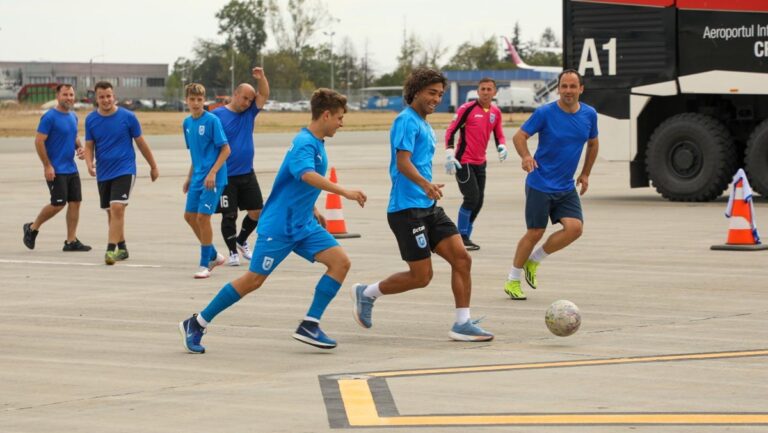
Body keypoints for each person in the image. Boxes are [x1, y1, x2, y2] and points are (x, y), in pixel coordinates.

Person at [179, 88, 366, 353]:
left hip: (302, 224)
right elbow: (304, 174)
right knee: (253, 280)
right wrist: (344, 191)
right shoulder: (304, 143)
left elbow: (297, 180)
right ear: (326, 115)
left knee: (340, 263)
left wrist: (312, 206)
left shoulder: (315, 142)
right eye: (339, 117)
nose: (341, 123)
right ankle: (197, 322)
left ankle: (310, 324)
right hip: (279, 227)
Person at [350, 68, 494, 342]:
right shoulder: (406, 121)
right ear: (415, 91)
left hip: (428, 206)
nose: (436, 98)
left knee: (462, 259)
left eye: (440, 94)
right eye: (431, 93)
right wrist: (425, 184)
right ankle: (366, 293)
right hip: (406, 210)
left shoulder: (425, 124)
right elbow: (402, 163)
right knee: (421, 277)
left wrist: (428, 187)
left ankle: (462, 323)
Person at [503, 69, 599, 300]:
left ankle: (534, 261)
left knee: (575, 229)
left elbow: (593, 144)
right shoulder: (545, 113)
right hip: (540, 182)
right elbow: (519, 137)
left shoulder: (589, 114)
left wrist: (585, 174)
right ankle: (513, 280)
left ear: (581, 89)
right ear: (558, 89)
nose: (568, 91)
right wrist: (526, 157)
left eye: (572, 86)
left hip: (565, 186)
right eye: (564, 86)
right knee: (535, 231)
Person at [84, 81, 159, 265]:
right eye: (102, 97)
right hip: (104, 172)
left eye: (109, 96)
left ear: (114, 96)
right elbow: (89, 145)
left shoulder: (128, 117)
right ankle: (122, 248)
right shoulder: (91, 120)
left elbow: (141, 143)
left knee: (117, 207)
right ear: (96, 98)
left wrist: (153, 165)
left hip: (125, 169)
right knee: (112, 213)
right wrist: (88, 163)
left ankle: (110, 251)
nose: (106, 100)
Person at [212, 67, 270, 266]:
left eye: (249, 100)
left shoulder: (249, 113)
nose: (247, 103)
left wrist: (261, 78)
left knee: (257, 211)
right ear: (235, 95)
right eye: (244, 98)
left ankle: (241, 241)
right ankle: (231, 252)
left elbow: (264, 94)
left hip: (247, 173)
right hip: (226, 175)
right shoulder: (217, 115)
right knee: (230, 215)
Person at [23, 84, 91, 252]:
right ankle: (32, 228)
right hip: (56, 169)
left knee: (75, 202)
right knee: (58, 204)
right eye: (65, 94)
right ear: (58, 96)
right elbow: (39, 141)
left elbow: (73, 136)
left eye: (71, 94)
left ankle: (70, 241)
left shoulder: (73, 116)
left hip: (71, 168)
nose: (69, 98)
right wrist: (47, 165)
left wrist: (79, 148)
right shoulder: (49, 117)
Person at [444, 78, 507, 251]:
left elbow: (499, 134)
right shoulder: (467, 109)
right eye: (483, 89)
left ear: (495, 92)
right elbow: (451, 131)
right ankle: (461, 237)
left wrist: (502, 145)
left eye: (489, 89)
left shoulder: (496, 112)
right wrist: (449, 152)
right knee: (471, 198)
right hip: (463, 162)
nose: (486, 92)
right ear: (477, 91)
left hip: (481, 162)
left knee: (479, 201)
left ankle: (465, 236)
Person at [182, 83, 231, 278]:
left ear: (204, 100)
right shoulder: (186, 123)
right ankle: (213, 254)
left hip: (214, 178)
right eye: (192, 99)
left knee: (203, 218)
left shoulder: (212, 120)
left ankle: (206, 263)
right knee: (189, 217)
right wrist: (189, 177)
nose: (195, 103)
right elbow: (196, 154)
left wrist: (212, 173)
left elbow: (226, 149)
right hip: (197, 177)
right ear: (186, 100)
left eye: (199, 99)